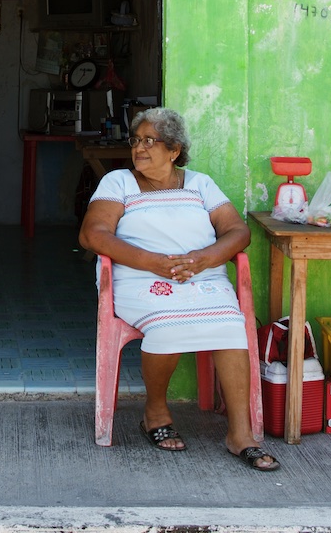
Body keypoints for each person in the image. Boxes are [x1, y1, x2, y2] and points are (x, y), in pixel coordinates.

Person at [78, 106, 280, 472]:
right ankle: (155, 411)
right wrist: (153, 262)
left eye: (149, 141)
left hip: (201, 277)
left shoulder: (200, 184)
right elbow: (93, 235)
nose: (139, 148)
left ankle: (240, 434)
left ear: (173, 150)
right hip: (141, 279)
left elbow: (238, 232)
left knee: (231, 327)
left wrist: (204, 258)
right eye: (136, 140)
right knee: (167, 326)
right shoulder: (118, 183)